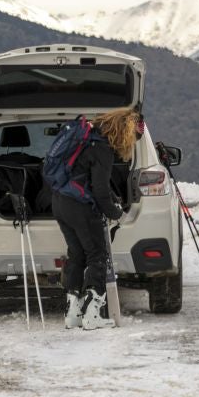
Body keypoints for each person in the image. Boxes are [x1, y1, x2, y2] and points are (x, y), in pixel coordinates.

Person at [53, 107, 142, 330]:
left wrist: (113, 198)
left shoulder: (88, 140)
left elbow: (89, 180)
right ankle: (92, 314)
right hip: (80, 207)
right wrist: (117, 214)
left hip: (60, 203)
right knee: (98, 256)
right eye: (133, 137)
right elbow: (100, 191)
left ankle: (73, 314)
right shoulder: (103, 148)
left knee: (77, 255)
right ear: (124, 130)